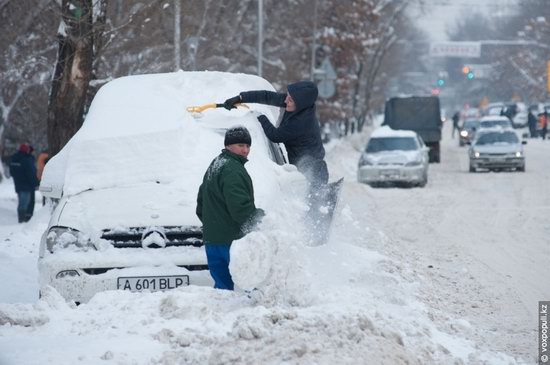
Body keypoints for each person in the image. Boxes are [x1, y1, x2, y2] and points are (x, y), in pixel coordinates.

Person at [223, 80, 328, 189]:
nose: (286, 100)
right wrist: (240, 98)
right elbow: (267, 96)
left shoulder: (300, 122)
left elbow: (275, 136)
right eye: (288, 95)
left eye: (290, 100)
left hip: (311, 170)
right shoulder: (298, 105)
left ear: (300, 104)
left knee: (309, 200)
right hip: (307, 164)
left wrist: (261, 117)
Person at [196, 126, 264, 290]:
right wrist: (262, 220)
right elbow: (240, 208)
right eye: (240, 145)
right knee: (252, 288)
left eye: (248, 146)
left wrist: (214, 225)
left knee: (222, 292)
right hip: (232, 242)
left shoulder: (215, 165)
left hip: (212, 242)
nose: (245, 150)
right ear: (228, 145)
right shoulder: (232, 169)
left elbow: (200, 205)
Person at [9, 143, 39, 223]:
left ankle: (22, 219)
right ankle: (23, 220)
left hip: (18, 185)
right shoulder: (26, 159)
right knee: (26, 203)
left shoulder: (14, 159)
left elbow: (11, 172)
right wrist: (36, 183)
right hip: (27, 186)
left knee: (22, 203)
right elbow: (31, 173)